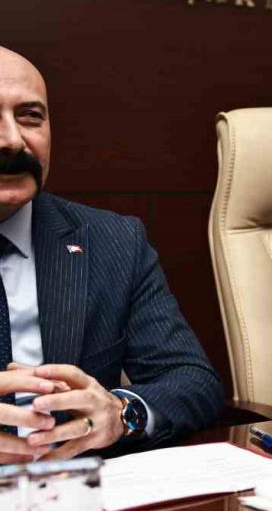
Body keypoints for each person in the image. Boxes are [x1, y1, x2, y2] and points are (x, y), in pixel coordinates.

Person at [0, 46, 222, 464]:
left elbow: (192, 380)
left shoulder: (113, 240)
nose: (13, 140)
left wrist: (121, 413)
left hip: (72, 484)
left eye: (30, 116)